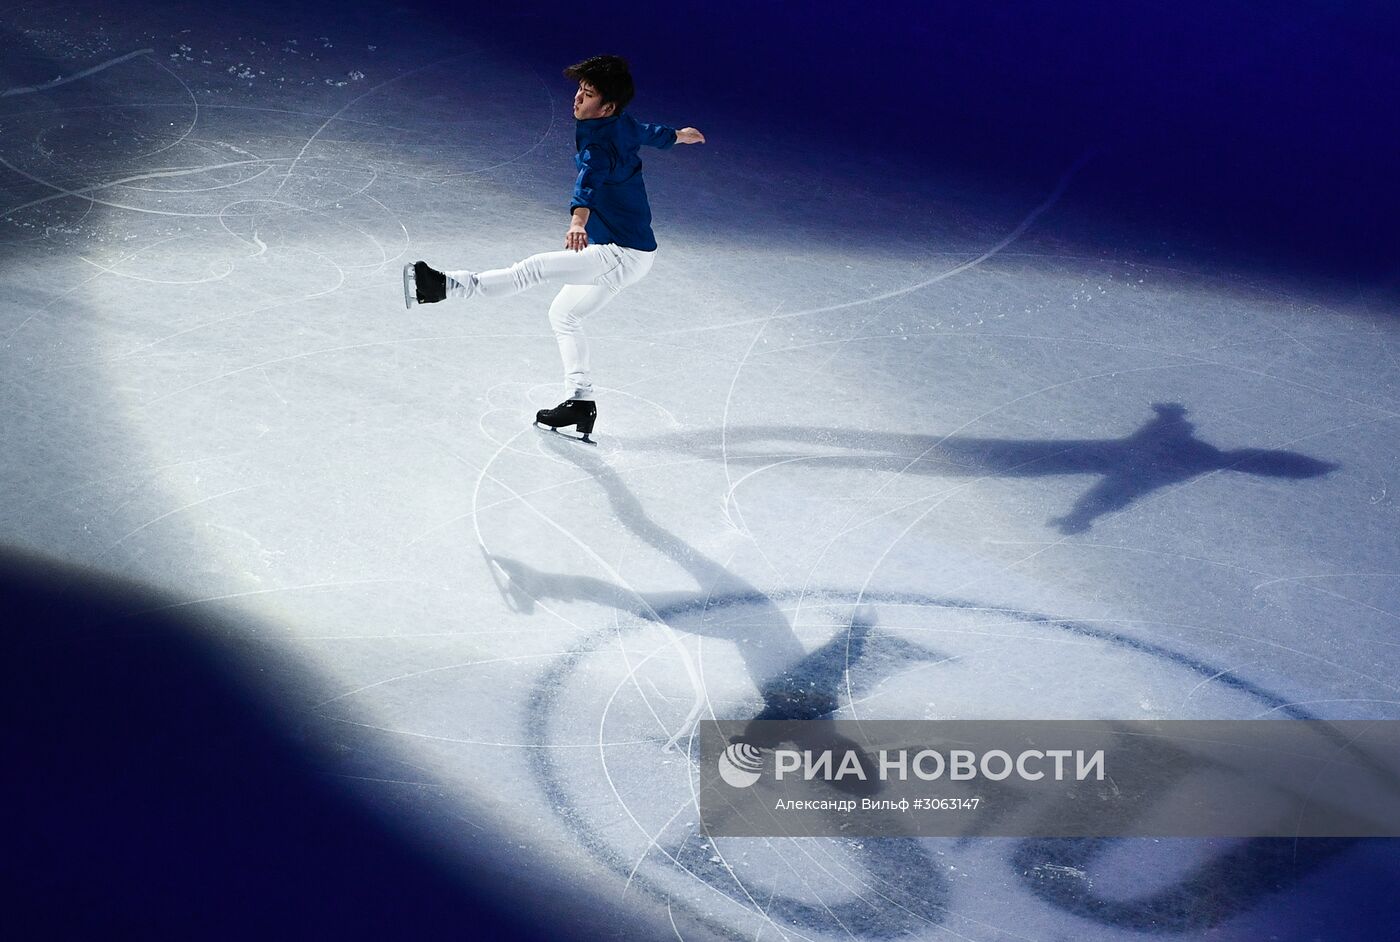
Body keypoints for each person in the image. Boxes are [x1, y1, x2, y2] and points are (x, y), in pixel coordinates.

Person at [402, 54, 705, 443]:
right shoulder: (621, 123)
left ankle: (443, 287)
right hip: (632, 255)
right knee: (563, 314)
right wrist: (679, 135)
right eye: (580, 89)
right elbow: (648, 131)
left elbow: (588, 184)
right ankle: (581, 402)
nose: (578, 98)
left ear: (607, 107)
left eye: (589, 93)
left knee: (532, 270)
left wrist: (578, 222)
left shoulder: (599, 146)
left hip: (621, 254)